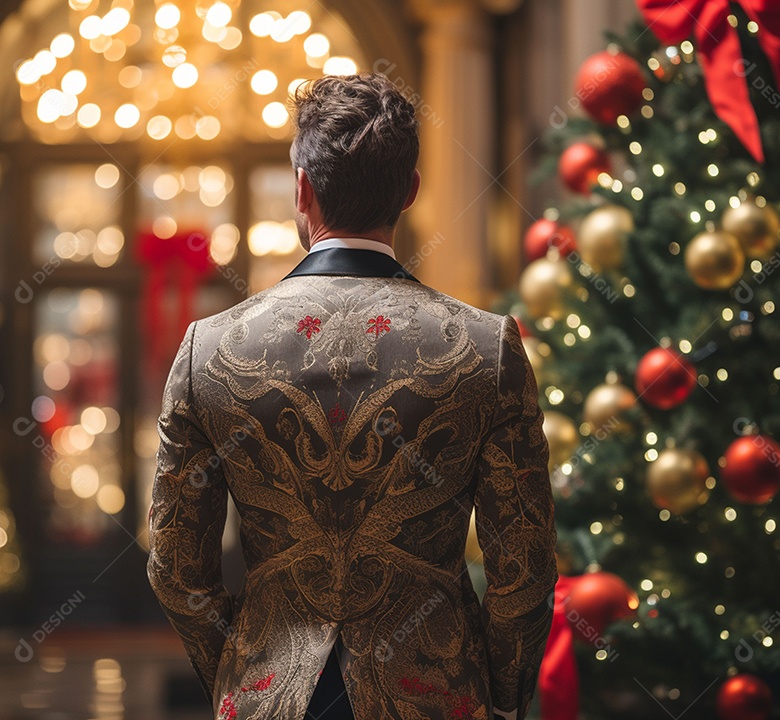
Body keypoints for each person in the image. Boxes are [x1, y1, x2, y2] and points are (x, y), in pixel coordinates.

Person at [147, 72, 557, 720]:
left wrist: (240, 670)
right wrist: (500, 693)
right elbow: (524, 569)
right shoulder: (487, 347)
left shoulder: (210, 350)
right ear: (411, 192)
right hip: (435, 698)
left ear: (302, 189)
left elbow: (175, 567)